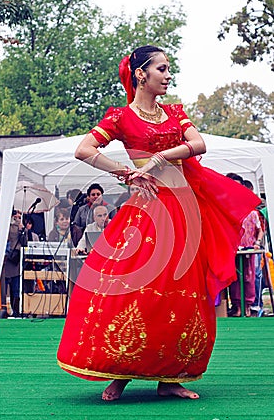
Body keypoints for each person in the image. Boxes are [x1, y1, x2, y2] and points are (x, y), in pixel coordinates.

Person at [57, 45, 261, 401]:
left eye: (169, 70)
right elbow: (84, 149)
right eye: (162, 69)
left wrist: (159, 158)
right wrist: (125, 172)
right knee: (129, 290)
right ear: (141, 74)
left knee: (182, 295)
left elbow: (198, 145)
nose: (168, 76)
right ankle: (119, 372)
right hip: (146, 212)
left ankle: (171, 378)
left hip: (183, 211)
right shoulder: (121, 118)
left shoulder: (176, 114)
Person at [227, 178, 264, 317]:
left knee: (249, 277)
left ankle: (248, 306)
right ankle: (237, 307)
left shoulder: (253, 212)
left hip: (250, 248)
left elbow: (260, 229)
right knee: (235, 277)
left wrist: (257, 243)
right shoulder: (229, 211)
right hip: (234, 249)